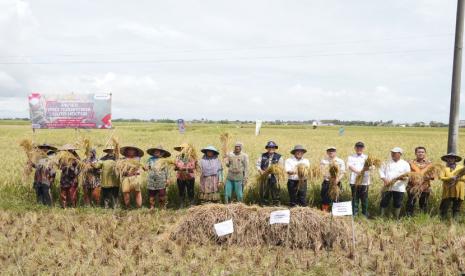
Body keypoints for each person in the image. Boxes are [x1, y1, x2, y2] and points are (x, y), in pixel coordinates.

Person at [379, 147, 411, 219]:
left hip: (399, 187)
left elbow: (408, 175)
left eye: (395, 153)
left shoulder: (405, 164)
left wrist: (403, 178)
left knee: (397, 203)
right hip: (387, 186)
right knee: (384, 201)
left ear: (400, 154)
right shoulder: (386, 162)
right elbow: (381, 172)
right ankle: (381, 216)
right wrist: (385, 180)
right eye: (392, 153)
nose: (392, 154)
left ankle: (396, 217)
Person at [405, 146, 432, 216]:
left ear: (425, 153)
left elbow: (432, 176)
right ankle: (408, 217)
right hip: (412, 187)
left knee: (423, 203)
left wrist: (424, 176)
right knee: (411, 203)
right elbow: (407, 173)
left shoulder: (429, 164)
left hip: (425, 187)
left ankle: (423, 217)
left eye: (422, 152)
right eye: (419, 152)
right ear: (415, 153)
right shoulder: (410, 163)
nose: (421, 153)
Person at [256, 141, 284, 206]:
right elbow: (257, 164)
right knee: (264, 190)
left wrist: (276, 171)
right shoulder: (262, 156)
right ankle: (264, 203)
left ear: (275, 148)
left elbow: (281, 167)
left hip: (275, 177)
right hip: (264, 176)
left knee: (275, 190)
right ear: (267, 148)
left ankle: (276, 203)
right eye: (269, 147)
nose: (271, 148)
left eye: (272, 147)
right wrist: (260, 171)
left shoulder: (279, 157)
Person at [347, 142, 371, 217]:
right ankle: (354, 213)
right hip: (354, 181)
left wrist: (365, 169)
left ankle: (365, 214)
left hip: (365, 181)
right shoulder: (351, 157)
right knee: (355, 198)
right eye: (357, 147)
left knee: (364, 199)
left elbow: (371, 167)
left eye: (361, 147)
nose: (359, 149)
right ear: (355, 148)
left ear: (363, 148)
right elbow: (349, 166)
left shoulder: (367, 158)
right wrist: (358, 172)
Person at [438, 153, 464, 219]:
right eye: (449, 158)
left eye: (452, 158)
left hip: (459, 191)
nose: (450, 159)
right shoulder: (444, 168)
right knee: (444, 207)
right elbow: (441, 177)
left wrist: (458, 178)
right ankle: (442, 222)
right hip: (448, 190)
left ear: (455, 159)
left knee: (456, 208)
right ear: (446, 159)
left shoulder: (461, 168)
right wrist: (451, 178)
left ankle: (455, 223)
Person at [320, 146, 346, 212]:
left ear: (335, 152)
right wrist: (330, 178)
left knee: (337, 197)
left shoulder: (340, 161)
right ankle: (324, 213)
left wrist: (337, 179)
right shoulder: (323, 161)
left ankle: (336, 213)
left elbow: (343, 172)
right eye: (329, 151)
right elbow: (322, 171)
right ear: (327, 152)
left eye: (333, 151)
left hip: (337, 182)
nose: (331, 152)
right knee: (325, 198)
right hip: (327, 181)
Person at [174, 143, 197, 208]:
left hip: (189, 177)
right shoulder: (178, 157)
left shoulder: (192, 157)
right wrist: (176, 167)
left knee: (190, 190)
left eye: (184, 149)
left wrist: (184, 168)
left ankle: (191, 204)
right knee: (181, 191)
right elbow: (175, 167)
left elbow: (193, 167)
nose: (183, 150)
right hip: (180, 177)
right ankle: (182, 204)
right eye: (181, 149)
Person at [58, 144, 81, 208]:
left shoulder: (76, 158)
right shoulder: (62, 158)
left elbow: (79, 167)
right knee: (64, 192)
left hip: (72, 178)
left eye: (70, 150)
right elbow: (59, 167)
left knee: (72, 192)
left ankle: (73, 206)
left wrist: (73, 169)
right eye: (68, 150)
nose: (69, 151)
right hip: (64, 178)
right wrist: (66, 166)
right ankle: (64, 206)